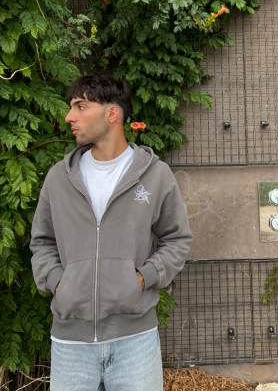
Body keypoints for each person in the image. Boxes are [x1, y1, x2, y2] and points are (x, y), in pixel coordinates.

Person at [29, 74, 193, 390]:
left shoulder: (155, 175)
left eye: (80, 106)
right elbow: (42, 241)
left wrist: (143, 277)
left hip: (135, 341)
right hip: (71, 344)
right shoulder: (59, 177)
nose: (69, 116)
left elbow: (177, 238)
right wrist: (59, 283)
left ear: (112, 113)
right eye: (71, 107)